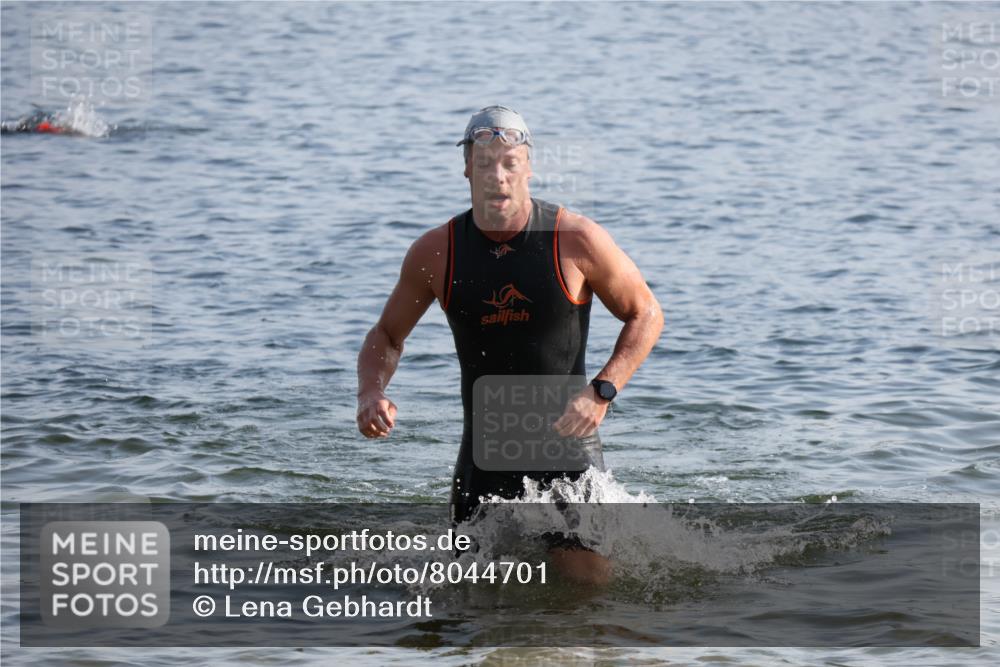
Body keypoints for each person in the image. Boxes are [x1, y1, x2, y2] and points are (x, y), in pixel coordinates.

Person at [357, 105, 663, 585]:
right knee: (465, 598)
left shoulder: (574, 239)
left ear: (528, 167)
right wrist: (371, 391)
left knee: (586, 585)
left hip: (567, 444)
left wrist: (603, 391)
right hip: (483, 453)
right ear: (466, 169)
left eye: (509, 163)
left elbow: (645, 313)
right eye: (483, 164)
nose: (496, 177)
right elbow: (386, 335)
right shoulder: (436, 252)